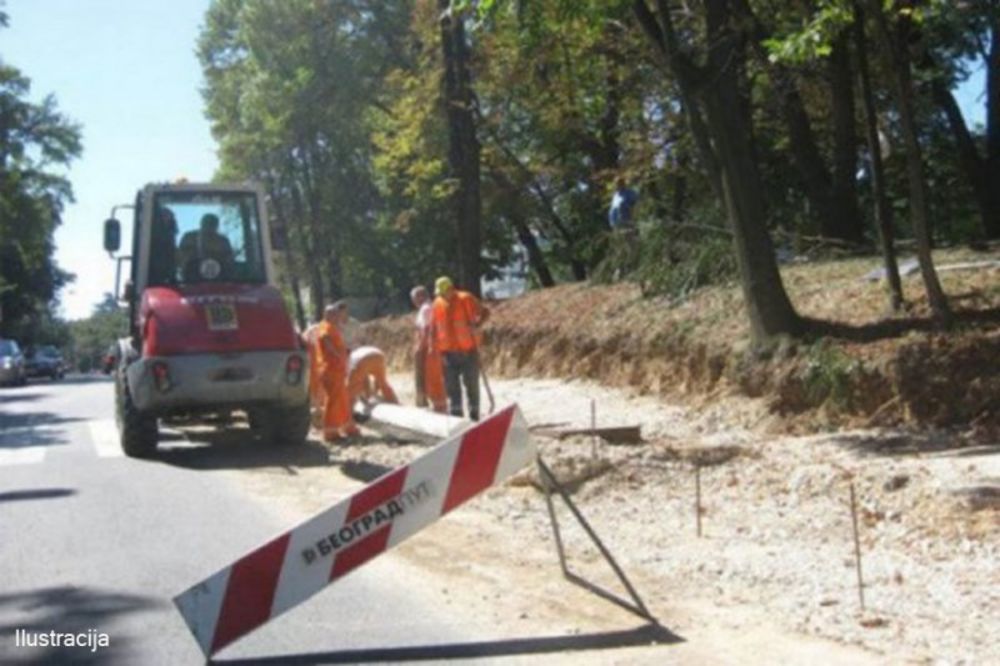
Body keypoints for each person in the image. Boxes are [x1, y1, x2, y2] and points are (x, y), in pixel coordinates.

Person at [430, 276, 489, 421]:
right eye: (440, 293)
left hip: (468, 350)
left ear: (451, 289)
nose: (442, 296)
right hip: (447, 353)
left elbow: (485, 312)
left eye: (444, 292)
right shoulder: (437, 304)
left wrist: (477, 325)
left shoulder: (466, 298)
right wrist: (433, 346)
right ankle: (457, 417)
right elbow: (434, 327)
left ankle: (474, 416)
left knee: (471, 386)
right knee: (452, 388)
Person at [315, 301, 359, 441]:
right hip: (330, 370)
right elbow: (327, 343)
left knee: (342, 399)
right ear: (328, 315)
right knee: (334, 400)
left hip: (337, 370)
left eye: (336, 314)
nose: (337, 316)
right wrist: (339, 356)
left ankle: (348, 426)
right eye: (334, 314)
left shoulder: (332, 327)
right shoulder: (326, 327)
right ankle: (330, 431)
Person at [410, 286, 447, 413]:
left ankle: (439, 407)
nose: (413, 302)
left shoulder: (426, 309)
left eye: (414, 299)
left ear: (420, 296)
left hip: (429, 349)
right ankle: (434, 405)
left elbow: (427, 330)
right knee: (429, 379)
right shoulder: (426, 308)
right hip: (428, 347)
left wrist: (420, 349)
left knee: (431, 378)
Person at [178, 213, 235, 281]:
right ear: (201, 224)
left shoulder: (223, 241)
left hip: (219, 279)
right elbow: (182, 256)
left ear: (216, 226)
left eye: (212, 224)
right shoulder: (189, 237)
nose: (209, 228)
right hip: (192, 278)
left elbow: (229, 260)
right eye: (207, 224)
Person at [301, 318, 326, 423]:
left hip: (312, 364)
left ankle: (317, 409)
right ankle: (318, 410)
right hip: (315, 363)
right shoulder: (319, 331)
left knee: (313, 385)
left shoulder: (309, 332)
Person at [148, 207, 178, 285]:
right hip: (152, 276)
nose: (166, 219)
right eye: (163, 216)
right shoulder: (149, 236)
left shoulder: (171, 235)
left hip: (169, 274)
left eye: (168, 217)